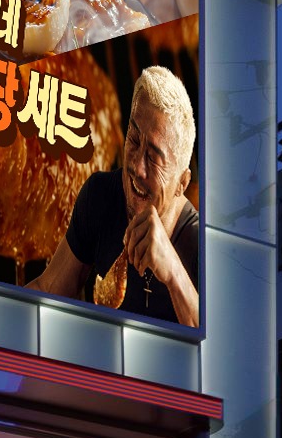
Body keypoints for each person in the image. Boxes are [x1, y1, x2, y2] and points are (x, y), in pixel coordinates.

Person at [31, 66, 200, 326]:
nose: (136, 167)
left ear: (182, 183)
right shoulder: (100, 196)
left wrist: (173, 273)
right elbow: (48, 289)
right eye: (134, 139)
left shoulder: (201, 244)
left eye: (153, 158)